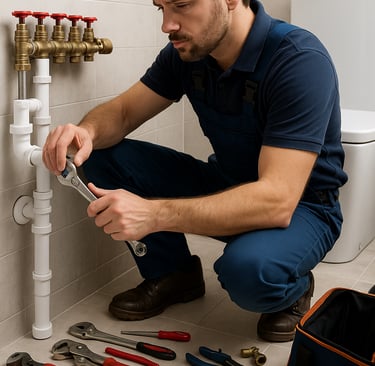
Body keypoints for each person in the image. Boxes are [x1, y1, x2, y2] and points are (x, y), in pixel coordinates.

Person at [43, 0, 347, 342]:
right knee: (99, 154)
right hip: (226, 182)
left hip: (301, 208)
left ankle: (294, 287)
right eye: (162, 9)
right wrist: (87, 133)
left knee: (249, 272)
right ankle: (174, 274)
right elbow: (125, 111)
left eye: (182, 5)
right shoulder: (188, 52)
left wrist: (155, 215)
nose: (167, 25)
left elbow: (275, 200)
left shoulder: (298, 59)